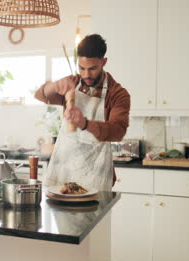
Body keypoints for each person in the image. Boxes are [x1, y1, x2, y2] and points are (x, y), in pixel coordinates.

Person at [35, 34, 130, 191]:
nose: (86, 75)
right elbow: (41, 95)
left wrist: (84, 123)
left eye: (92, 68)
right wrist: (55, 85)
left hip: (96, 174)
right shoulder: (73, 83)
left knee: (95, 215)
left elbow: (117, 131)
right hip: (64, 170)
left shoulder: (117, 94)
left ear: (103, 62)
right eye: (82, 68)